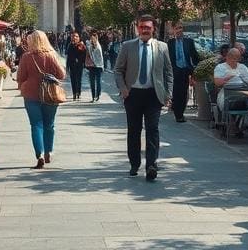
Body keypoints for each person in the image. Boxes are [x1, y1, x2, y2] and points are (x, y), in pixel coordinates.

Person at [114, 14, 173, 181]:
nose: (144, 30)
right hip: (133, 94)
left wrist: (168, 94)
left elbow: (168, 72)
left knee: (153, 129)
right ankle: (134, 163)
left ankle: (151, 165)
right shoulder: (127, 46)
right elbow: (118, 70)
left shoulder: (162, 47)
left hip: (154, 94)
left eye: (148, 27)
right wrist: (123, 89)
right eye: (142, 27)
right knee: (134, 130)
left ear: (153, 28)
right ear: (137, 28)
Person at [15, 30, 66, 168]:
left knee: (36, 125)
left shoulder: (26, 57)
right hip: (50, 94)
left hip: (31, 95)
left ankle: (40, 154)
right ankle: (49, 151)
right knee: (49, 124)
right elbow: (62, 74)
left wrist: (25, 83)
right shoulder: (51, 55)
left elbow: (20, 77)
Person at [213, 47, 248, 138]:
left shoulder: (243, 68)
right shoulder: (220, 67)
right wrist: (228, 77)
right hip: (226, 94)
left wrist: (242, 78)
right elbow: (217, 83)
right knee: (230, 102)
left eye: (237, 59)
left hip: (242, 94)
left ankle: (234, 125)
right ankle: (234, 126)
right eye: (232, 58)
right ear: (227, 57)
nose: (234, 61)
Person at [167, 22, 199, 122]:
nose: (179, 30)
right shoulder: (170, 43)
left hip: (186, 70)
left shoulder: (188, 41)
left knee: (184, 92)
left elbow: (194, 55)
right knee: (176, 92)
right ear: (173, 30)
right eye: (177, 28)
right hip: (175, 70)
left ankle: (180, 113)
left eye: (180, 28)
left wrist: (197, 68)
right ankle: (178, 114)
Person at [65, 32, 86, 101]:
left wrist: (80, 61)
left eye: (76, 36)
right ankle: (74, 93)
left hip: (79, 65)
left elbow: (84, 55)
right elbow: (68, 56)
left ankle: (78, 93)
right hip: (72, 65)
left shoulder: (81, 45)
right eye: (73, 36)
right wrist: (67, 67)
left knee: (79, 80)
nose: (75, 38)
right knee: (73, 80)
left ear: (78, 38)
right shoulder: (70, 45)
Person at [84, 32, 104, 102]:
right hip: (96, 66)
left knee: (95, 81)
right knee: (95, 81)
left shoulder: (95, 46)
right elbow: (100, 57)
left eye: (92, 38)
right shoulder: (95, 46)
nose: (91, 39)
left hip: (95, 66)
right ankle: (95, 96)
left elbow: (98, 57)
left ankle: (95, 95)